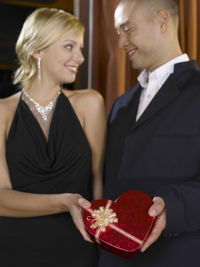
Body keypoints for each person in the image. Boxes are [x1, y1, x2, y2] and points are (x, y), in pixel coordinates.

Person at [0, 7, 106, 267]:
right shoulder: (2, 112)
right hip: (14, 250)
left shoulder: (90, 103)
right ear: (37, 49)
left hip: (78, 248)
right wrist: (64, 202)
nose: (80, 58)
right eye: (69, 47)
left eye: (80, 48)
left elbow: (100, 182)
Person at [99, 0, 200, 266]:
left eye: (127, 29)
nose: (121, 42)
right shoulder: (120, 105)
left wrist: (173, 206)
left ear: (163, 21)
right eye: (118, 33)